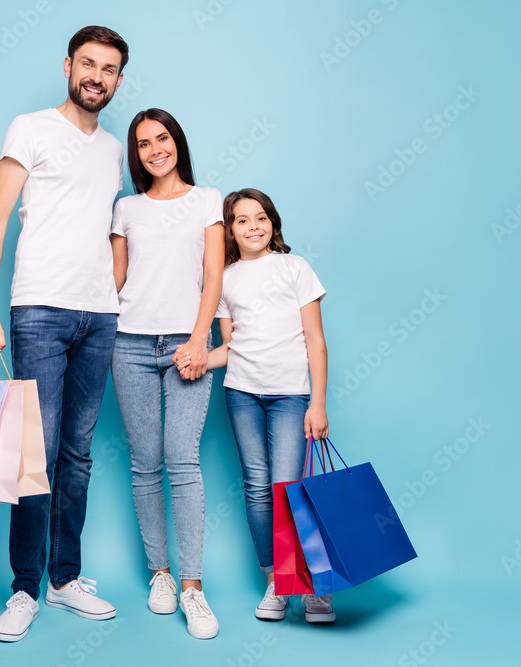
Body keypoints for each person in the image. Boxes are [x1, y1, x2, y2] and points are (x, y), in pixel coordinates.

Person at [0, 25, 129, 642]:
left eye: (109, 68)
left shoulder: (114, 149)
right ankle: (23, 589)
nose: (96, 75)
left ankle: (65, 580)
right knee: (33, 456)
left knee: (78, 455)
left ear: (117, 80)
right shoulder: (30, 128)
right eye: (87, 63)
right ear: (68, 66)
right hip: (39, 309)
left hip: (100, 316)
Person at [178, 187, 335, 624]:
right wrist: (198, 361)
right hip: (242, 394)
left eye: (260, 217)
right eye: (242, 220)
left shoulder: (294, 267)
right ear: (230, 229)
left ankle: (312, 585)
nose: (253, 226)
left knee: (289, 488)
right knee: (258, 488)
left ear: (273, 223)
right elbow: (230, 346)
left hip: (290, 396)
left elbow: (316, 343)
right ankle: (276, 581)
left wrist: (317, 402)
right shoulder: (224, 279)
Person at [109, 109, 224, 639]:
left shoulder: (207, 201)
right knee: (145, 462)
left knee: (183, 460)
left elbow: (214, 278)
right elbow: (113, 278)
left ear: (177, 141)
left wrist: (201, 340)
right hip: (127, 343)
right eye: (144, 143)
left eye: (163, 138)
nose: (155, 148)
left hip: (186, 346)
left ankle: (193, 588)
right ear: (136, 154)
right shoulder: (126, 207)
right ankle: (161, 574)